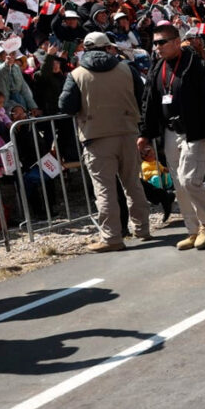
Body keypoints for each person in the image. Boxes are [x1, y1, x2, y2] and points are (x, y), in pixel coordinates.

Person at [58, 32, 151, 252]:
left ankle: (112, 237)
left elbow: (65, 106)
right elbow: (142, 96)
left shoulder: (77, 74)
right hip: (128, 132)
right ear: (108, 48)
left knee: (105, 189)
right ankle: (143, 229)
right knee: (133, 183)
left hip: (96, 137)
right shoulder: (127, 69)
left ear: (86, 49)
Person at [137, 22, 205, 251]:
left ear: (176, 42)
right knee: (178, 183)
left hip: (194, 131)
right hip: (169, 131)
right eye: (155, 43)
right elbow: (149, 101)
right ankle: (193, 230)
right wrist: (145, 133)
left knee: (189, 180)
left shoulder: (196, 65)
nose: (157, 47)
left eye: (162, 42)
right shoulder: (158, 68)